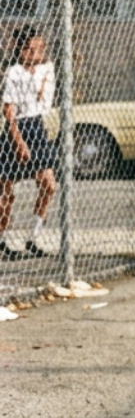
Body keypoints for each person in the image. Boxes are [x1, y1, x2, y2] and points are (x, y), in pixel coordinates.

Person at [0, 29, 57, 258]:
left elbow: (45, 95)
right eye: (29, 49)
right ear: (20, 50)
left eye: (39, 49)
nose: (35, 53)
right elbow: (9, 111)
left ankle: (33, 236)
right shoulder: (14, 73)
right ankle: (2, 240)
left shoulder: (46, 69)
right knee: (5, 190)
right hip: (18, 128)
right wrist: (20, 143)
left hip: (37, 125)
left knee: (48, 183)